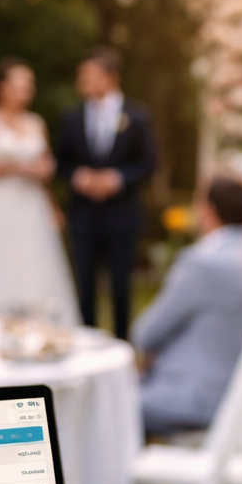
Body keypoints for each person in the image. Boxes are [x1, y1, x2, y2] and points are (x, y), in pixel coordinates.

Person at [133, 175, 242, 435]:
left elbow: (146, 334)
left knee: (102, 405)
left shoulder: (202, 262)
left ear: (208, 209)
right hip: (241, 402)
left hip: (193, 400)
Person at [0, 58, 79, 325]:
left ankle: (37, 326)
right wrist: (15, 167)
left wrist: (52, 205)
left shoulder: (36, 123)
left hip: (30, 205)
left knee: (34, 264)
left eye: (28, 85)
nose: (24, 91)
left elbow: (43, 169)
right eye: (17, 85)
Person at [54, 47, 158, 340]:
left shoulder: (137, 116)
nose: (83, 82)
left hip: (122, 214)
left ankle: (122, 345)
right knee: (83, 285)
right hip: (83, 214)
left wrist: (118, 178)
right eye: (81, 76)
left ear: (111, 78)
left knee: (121, 287)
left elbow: (149, 163)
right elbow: (60, 161)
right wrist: (78, 176)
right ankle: (86, 343)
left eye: (89, 75)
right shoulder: (71, 117)